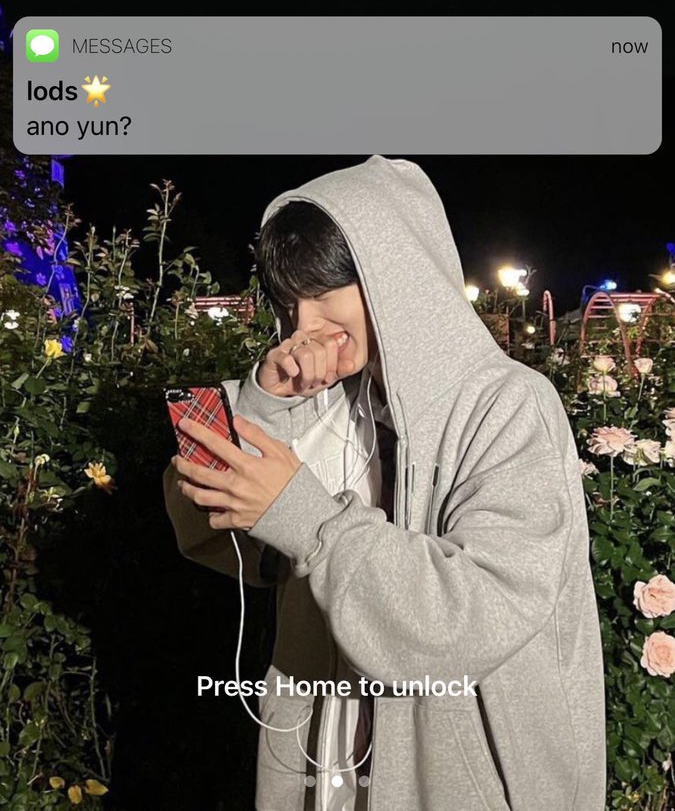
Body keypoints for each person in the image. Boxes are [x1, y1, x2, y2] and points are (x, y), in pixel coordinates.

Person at [163, 155, 607, 811]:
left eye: (324, 292)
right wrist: (266, 405)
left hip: (459, 781)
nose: (305, 324)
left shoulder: (508, 404)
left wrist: (309, 520)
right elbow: (206, 522)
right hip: (327, 760)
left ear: (394, 276)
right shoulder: (323, 401)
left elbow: (474, 613)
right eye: (290, 300)